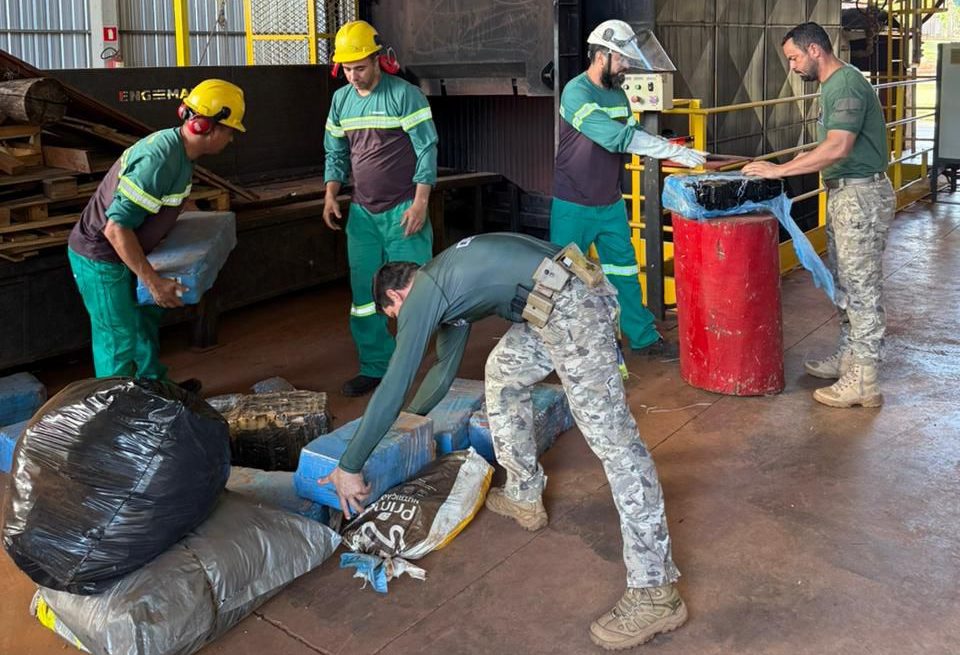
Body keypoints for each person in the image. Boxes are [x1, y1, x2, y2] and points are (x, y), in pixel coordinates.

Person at [320, 233, 687, 649]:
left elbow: (394, 384)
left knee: (617, 446)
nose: (403, 322)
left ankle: (656, 591)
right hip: (550, 305)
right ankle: (524, 493)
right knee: (502, 372)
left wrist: (350, 464)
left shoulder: (424, 291)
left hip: (574, 310)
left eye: (394, 316)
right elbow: (443, 372)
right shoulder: (448, 284)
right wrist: (408, 425)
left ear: (395, 295)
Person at [743, 22, 894, 408]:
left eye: (794, 57)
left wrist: (779, 170)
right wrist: (800, 158)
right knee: (845, 282)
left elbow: (839, 146)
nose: (792, 66)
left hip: (860, 195)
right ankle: (850, 358)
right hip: (846, 193)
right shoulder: (832, 85)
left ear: (815, 50)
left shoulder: (845, 85)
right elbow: (831, 144)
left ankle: (865, 380)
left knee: (861, 289)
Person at [67, 79, 245, 392]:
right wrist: (153, 282)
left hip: (130, 250)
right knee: (119, 338)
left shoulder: (180, 154)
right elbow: (115, 228)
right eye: (230, 131)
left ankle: (153, 391)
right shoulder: (159, 160)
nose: (231, 139)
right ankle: (117, 408)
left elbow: (172, 200)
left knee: (143, 323)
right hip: (102, 257)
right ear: (207, 127)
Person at [551, 19, 706, 359]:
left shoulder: (618, 93)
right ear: (601, 56)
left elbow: (633, 133)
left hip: (609, 202)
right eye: (621, 59)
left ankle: (643, 338)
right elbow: (614, 137)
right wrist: (668, 150)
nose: (626, 66)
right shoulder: (576, 92)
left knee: (624, 272)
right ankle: (555, 347)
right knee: (561, 278)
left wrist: (668, 146)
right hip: (573, 203)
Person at [322, 19, 439, 397]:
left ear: (377, 60)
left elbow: (426, 149)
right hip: (363, 216)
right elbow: (335, 152)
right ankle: (375, 366)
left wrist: (421, 202)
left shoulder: (405, 95)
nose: (353, 76)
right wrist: (331, 193)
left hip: (404, 210)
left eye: (360, 67)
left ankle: (410, 364)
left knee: (414, 292)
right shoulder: (341, 101)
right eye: (347, 69)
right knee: (364, 296)